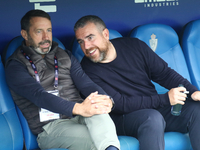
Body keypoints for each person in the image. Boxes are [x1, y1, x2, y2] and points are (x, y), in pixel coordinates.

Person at [74, 15, 200, 150]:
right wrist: (165, 98)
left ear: (105, 34)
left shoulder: (134, 46)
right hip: (121, 118)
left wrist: (192, 91)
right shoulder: (86, 70)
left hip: (153, 108)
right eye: (81, 41)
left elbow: (164, 74)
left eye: (90, 37)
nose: (86, 46)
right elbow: (120, 104)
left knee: (196, 109)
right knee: (152, 118)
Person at [5, 10, 120, 150]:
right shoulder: (16, 65)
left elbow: (86, 84)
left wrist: (107, 99)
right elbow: (39, 96)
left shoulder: (64, 55)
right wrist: (78, 108)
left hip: (81, 115)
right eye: (39, 31)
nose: (46, 37)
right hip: (51, 127)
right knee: (96, 141)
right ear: (25, 34)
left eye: (49, 30)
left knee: (98, 111)